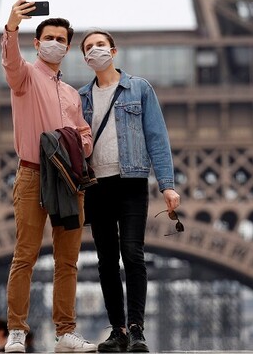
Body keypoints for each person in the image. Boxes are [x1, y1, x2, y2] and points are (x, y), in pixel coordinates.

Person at [1, 0, 97, 353]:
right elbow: (10, 61)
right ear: (37, 42)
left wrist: (79, 142)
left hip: (67, 179)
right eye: (49, 38)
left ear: (68, 47)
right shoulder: (25, 76)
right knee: (25, 255)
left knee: (67, 260)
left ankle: (66, 332)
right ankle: (17, 330)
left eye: (61, 39)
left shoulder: (71, 94)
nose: (55, 43)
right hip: (32, 174)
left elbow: (85, 132)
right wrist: (12, 26)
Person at [77, 29, 181, 352]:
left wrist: (167, 185)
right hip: (97, 185)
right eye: (89, 47)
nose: (96, 50)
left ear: (114, 50)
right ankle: (118, 330)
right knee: (106, 260)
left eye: (101, 45)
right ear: (84, 58)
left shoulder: (140, 89)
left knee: (132, 254)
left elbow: (157, 138)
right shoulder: (80, 98)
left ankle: (137, 328)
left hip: (132, 181)